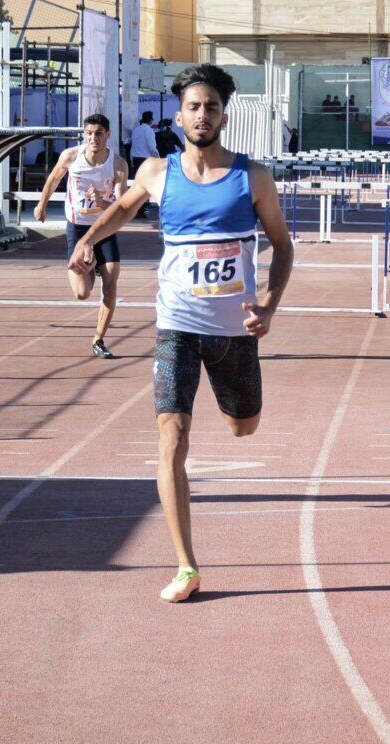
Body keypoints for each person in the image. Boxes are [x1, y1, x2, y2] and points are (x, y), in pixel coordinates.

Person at [69, 64, 294, 602]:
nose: (202, 115)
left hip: (235, 332)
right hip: (176, 325)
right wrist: (86, 244)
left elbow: (283, 247)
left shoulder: (253, 177)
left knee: (244, 428)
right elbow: (121, 210)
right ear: (179, 115)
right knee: (171, 437)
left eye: (211, 107)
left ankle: (236, 412)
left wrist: (268, 304)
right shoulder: (156, 172)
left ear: (223, 115)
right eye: (193, 106)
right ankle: (186, 565)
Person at [34, 114, 128, 359]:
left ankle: (99, 339)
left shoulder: (118, 165)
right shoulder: (71, 157)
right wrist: (41, 205)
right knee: (82, 293)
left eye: (98, 133)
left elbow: (121, 206)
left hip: (104, 228)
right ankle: (90, 266)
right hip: (77, 229)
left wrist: (100, 201)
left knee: (111, 283)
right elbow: (53, 179)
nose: (93, 138)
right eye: (88, 133)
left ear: (108, 134)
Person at [130, 111, 159, 219]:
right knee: (146, 186)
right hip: (146, 161)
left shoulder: (135, 130)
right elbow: (152, 148)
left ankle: (138, 209)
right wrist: (159, 158)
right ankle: (143, 209)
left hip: (135, 160)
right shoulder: (149, 130)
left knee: (136, 186)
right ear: (151, 120)